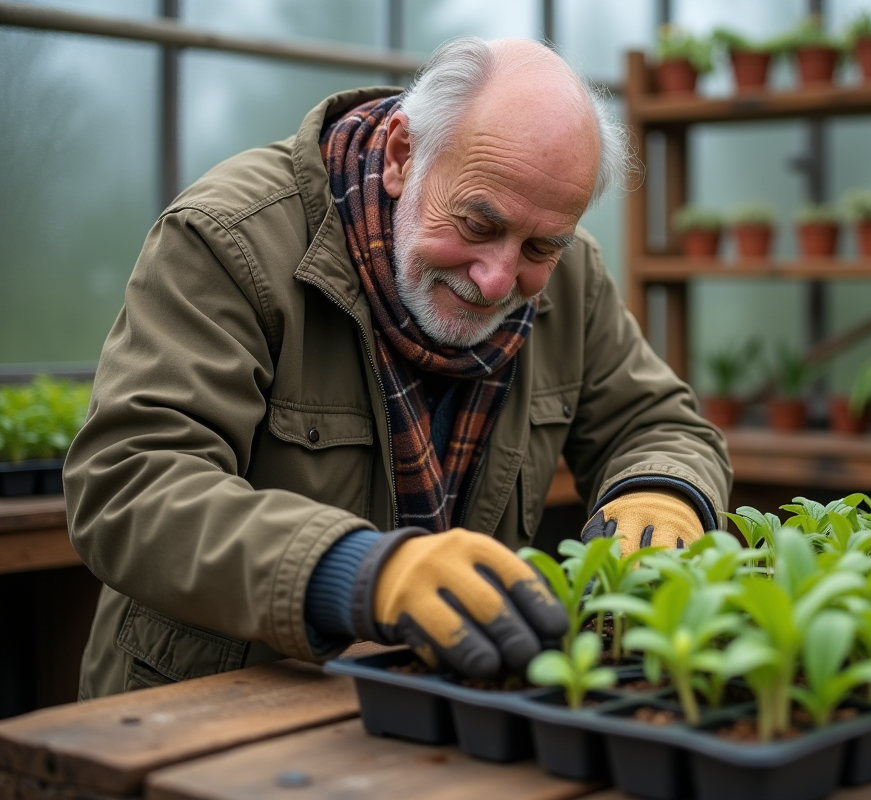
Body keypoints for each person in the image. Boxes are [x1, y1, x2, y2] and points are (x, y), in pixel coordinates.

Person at [65, 36, 731, 698]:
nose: (498, 278)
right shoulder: (231, 238)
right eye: (476, 223)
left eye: (538, 246)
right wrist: (356, 572)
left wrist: (663, 492)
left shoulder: (574, 273)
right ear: (402, 156)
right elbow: (130, 484)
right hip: (213, 709)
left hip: (438, 707)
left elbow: (654, 422)